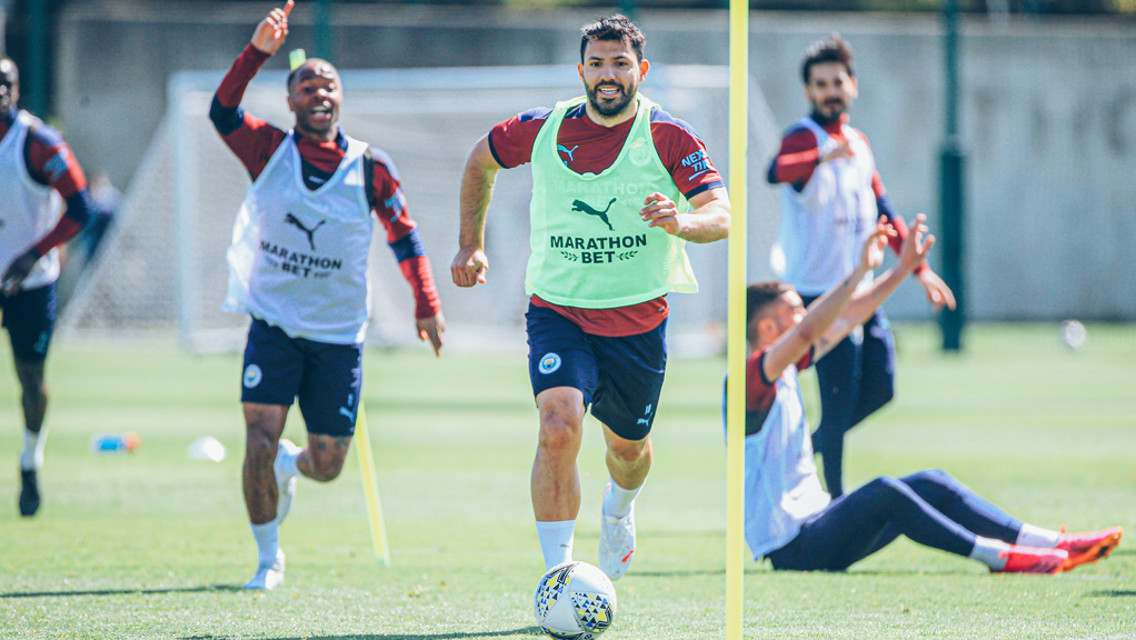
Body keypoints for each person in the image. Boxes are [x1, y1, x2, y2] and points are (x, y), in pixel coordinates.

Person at [451, 15, 730, 581]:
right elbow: (480, 160)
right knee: (558, 426)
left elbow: (720, 216)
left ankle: (619, 511)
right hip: (558, 311)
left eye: (620, 64)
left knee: (629, 453)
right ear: (581, 69)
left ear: (640, 70)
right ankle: (559, 577)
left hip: (637, 321)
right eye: (597, 64)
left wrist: (681, 220)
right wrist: (469, 245)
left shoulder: (669, 135)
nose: (608, 75)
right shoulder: (543, 128)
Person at [211, 0, 445, 590]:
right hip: (274, 324)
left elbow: (405, 237)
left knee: (328, 464)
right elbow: (222, 110)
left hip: (339, 336)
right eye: (307, 86)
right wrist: (258, 50)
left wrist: (427, 303)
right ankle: (268, 561)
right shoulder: (267, 149)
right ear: (289, 101)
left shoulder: (372, 167)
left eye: (329, 86)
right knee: (257, 438)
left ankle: (293, 466)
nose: (319, 93)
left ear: (341, 99)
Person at [742, 215, 1122, 574]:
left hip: (820, 525)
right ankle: (999, 557)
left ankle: (1056, 542)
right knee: (884, 491)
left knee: (932, 481)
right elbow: (812, 330)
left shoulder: (786, 367)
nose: (806, 314)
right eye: (795, 310)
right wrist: (857, 272)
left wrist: (901, 271)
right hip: (794, 548)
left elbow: (848, 317)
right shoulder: (747, 379)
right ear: (768, 327)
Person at [766, 34, 957, 498]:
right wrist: (820, 156)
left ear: (853, 84)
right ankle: (834, 499)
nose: (830, 90)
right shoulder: (804, 137)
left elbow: (885, 209)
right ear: (809, 91)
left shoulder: (857, 141)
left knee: (880, 388)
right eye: (820, 83)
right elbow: (777, 170)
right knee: (837, 401)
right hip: (819, 292)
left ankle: (800, 458)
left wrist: (921, 270)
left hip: (862, 292)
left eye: (837, 80)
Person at [0, 56, 95, 518]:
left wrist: (34, 253)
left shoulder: (39, 143)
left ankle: (30, 460)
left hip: (30, 283)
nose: (0, 90)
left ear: (17, 90)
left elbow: (81, 208)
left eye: (6, 83)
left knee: (31, 379)